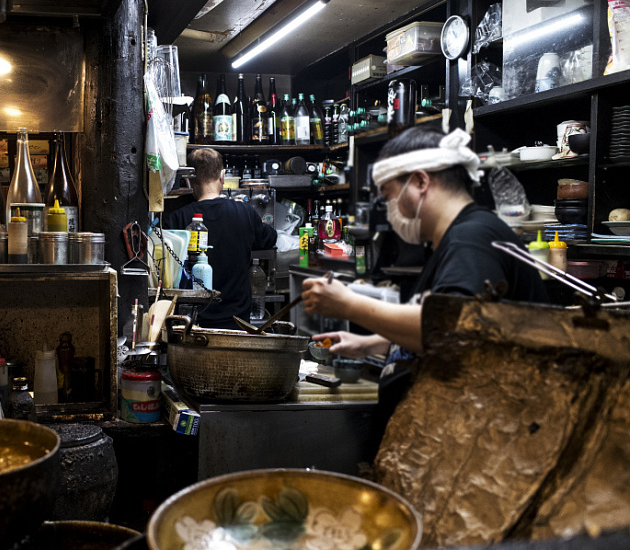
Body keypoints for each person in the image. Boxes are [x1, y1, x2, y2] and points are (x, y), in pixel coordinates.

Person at [301, 127, 548, 427]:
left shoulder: (471, 239)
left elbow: (451, 333)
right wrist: (374, 344)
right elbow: (454, 325)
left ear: (420, 181)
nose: (389, 209)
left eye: (389, 195)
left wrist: (348, 305)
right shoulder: (455, 238)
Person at [165, 148, 277, 329]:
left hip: (191, 321)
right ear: (223, 176)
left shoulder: (178, 218)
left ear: (189, 179)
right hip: (237, 321)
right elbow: (270, 239)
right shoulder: (244, 212)